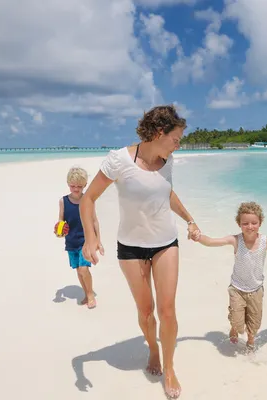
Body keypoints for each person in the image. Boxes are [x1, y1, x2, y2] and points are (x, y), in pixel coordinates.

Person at [79, 105, 199, 399]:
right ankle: (153, 348)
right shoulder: (119, 160)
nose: (178, 144)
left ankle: (168, 368)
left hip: (165, 243)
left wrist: (190, 219)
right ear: (159, 133)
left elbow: (167, 192)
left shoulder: (167, 160)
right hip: (130, 248)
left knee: (167, 309)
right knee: (146, 312)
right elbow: (88, 198)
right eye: (176, 138)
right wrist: (91, 238)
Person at [192, 202, 267, 350]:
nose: (250, 226)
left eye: (254, 223)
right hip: (237, 289)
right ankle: (234, 327)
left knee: (255, 323)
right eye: (245, 223)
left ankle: (251, 340)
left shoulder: (265, 241)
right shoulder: (235, 240)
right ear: (239, 224)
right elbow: (212, 242)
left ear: (260, 223)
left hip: (256, 290)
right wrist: (199, 237)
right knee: (238, 324)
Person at [55, 166, 99, 309]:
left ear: (85, 185)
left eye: (79, 186)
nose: (75, 189)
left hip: (86, 241)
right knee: (79, 271)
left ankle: (91, 294)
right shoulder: (63, 201)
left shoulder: (88, 200)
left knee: (83, 269)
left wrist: (98, 241)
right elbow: (60, 222)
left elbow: (94, 221)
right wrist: (59, 232)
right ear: (68, 184)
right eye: (73, 186)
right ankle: (86, 294)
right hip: (71, 241)